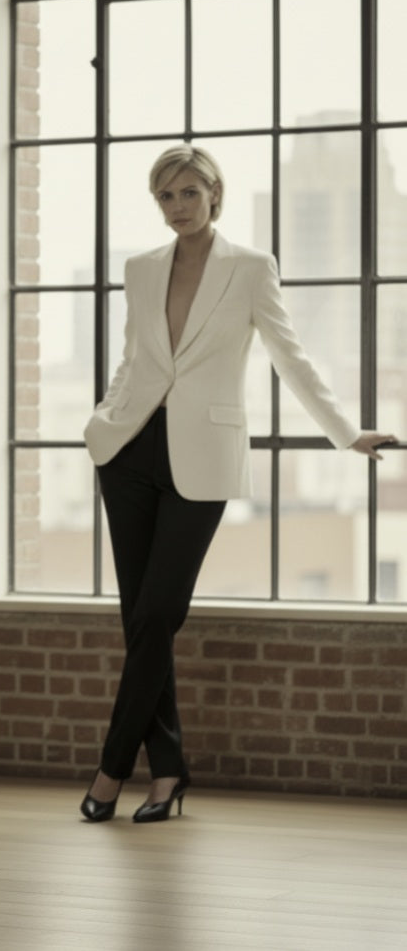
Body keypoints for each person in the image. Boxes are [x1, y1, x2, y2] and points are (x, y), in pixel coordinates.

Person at [79, 144, 397, 824]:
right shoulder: (140, 269)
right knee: (141, 621)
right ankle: (167, 775)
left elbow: (292, 356)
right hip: (128, 452)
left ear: (214, 194)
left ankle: (111, 768)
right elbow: (135, 356)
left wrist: (347, 433)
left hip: (203, 455)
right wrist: (105, 423)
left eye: (188, 193)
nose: (176, 208)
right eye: (164, 196)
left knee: (159, 613)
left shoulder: (250, 269)